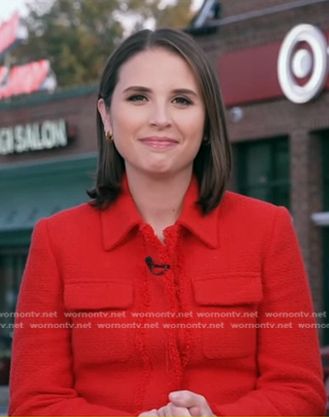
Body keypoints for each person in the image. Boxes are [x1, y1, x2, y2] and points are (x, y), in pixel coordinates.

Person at [9, 28, 326, 416]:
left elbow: (301, 392)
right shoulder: (56, 241)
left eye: (181, 100)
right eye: (139, 97)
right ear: (107, 115)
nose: (161, 119)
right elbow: (35, 403)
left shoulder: (268, 230)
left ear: (208, 121)